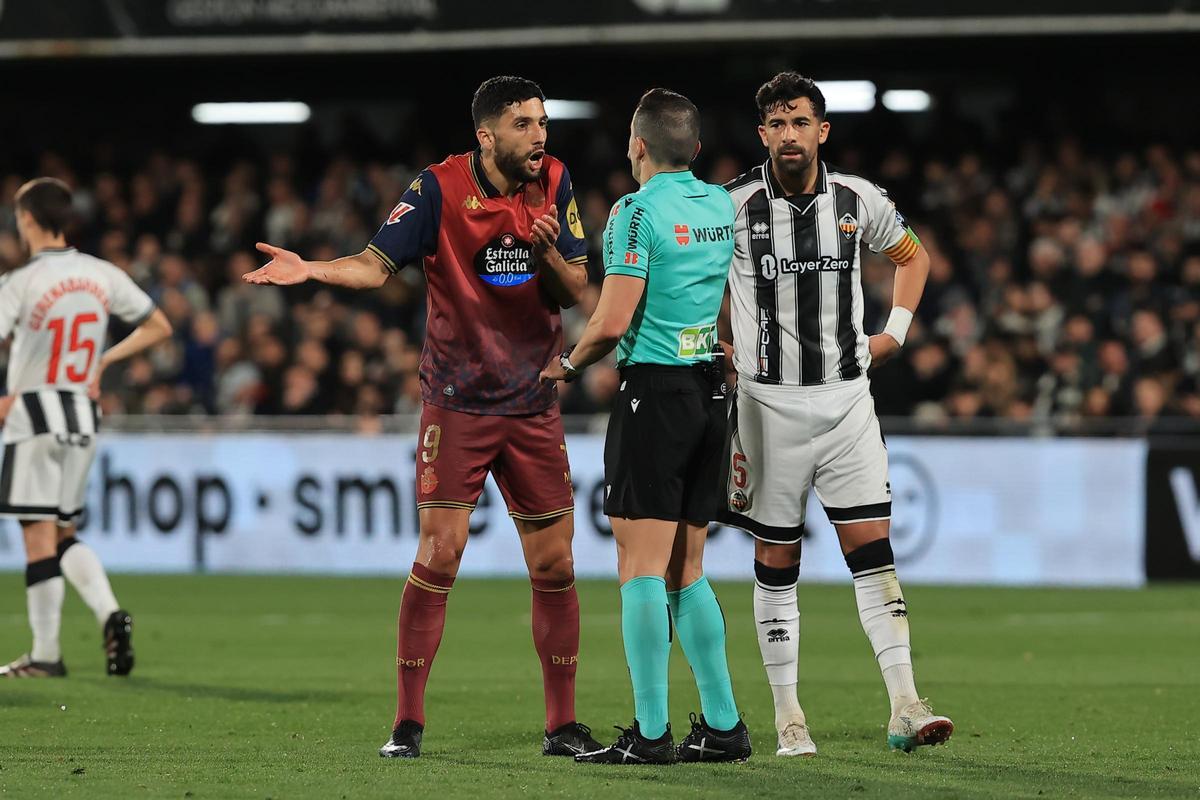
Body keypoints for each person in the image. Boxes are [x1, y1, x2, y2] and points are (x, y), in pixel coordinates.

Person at [244, 76, 601, 759]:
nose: (541, 135)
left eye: (543, 121)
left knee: (555, 565)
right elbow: (375, 267)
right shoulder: (437, 188)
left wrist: (546, 248)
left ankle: (562, 726)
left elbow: (576, 287)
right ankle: (407, 724)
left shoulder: (553, 179)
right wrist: (312, 270)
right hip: (457, 401)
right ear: (487, 135)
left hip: (532, 401)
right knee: (440, 554)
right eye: (524, 124)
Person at [720, 71, 953, 754]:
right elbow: (694, 277)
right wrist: (716, 339)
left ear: (823, 130)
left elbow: (915, 258)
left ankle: (906, 705)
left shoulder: (858, 199)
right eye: (776, 124)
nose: (789, 136)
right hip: (768, 407)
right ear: (762, 133)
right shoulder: (731, 205)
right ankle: (789, 716)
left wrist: (897, 333)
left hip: (849, 401)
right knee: (776, 559)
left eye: (801, 123)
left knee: (873, 555)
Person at [542, 89, 750, 765]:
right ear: (693, 149)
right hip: (709, 394)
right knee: (687, 567)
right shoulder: (721, 204)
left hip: (655, 395)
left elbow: (610, 320)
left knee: (638, 567)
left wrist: (565, 365)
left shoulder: (634, 214)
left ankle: (651, 733)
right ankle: (723, 726)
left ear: (637, 146)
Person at [0, 178, 172, 678]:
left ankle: (46, 655)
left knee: (37, 536)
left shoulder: (20, 282)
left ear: (27, 218)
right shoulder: (101, 273)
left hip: (32, 416)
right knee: (63, 532)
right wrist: (102, 361)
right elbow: (159, 326)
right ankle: (109, 613)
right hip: (81, 417)